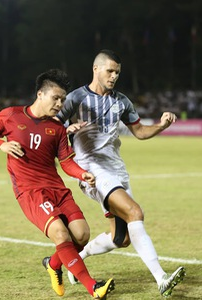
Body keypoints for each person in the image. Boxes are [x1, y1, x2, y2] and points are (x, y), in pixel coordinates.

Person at [56, 49, 185, 297]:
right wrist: (67, 129)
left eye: (117, 72)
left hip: (117, 170)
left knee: (120, 239)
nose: (114, 76)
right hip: (91, 169)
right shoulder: (76, 98)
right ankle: (162, 278)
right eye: (110, 71)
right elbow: (52, 125)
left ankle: (75, 262)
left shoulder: (122, 101)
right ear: (96, 69)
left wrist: (161, 125)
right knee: (135, 211)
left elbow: (140, 132)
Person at [0, 69, 115, 299]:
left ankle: (53, 264)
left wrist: (83, 174)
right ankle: (93, 287)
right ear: (40, 94)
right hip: (30, 191)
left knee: (81, 236)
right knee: (61, 235)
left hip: (58, 189)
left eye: (63, 99)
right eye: (56, 98)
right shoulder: (12, 115)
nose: (60, 104)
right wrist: (1, 145)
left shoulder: (58, 129)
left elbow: (66, 163)